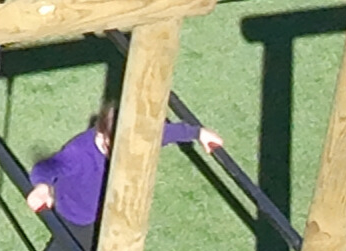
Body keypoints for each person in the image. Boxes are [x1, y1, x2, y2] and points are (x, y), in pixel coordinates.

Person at [25, 99, 224, 233]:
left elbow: (164, 133)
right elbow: (48, 167)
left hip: (103, 212)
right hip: (76, 213)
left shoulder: (134, 141)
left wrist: (198, 133)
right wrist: (42, 186)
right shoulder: (79, 151)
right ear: (102, 136)